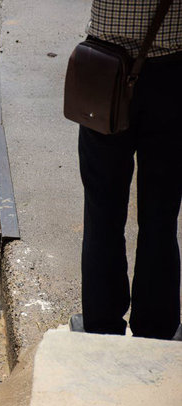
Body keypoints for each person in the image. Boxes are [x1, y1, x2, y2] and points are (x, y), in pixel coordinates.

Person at [71, 0, 181, 340]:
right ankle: (157, 327)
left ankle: (102, 326)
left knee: (103, 209)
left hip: (106, 70)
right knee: (161, 214)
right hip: (174, 74)